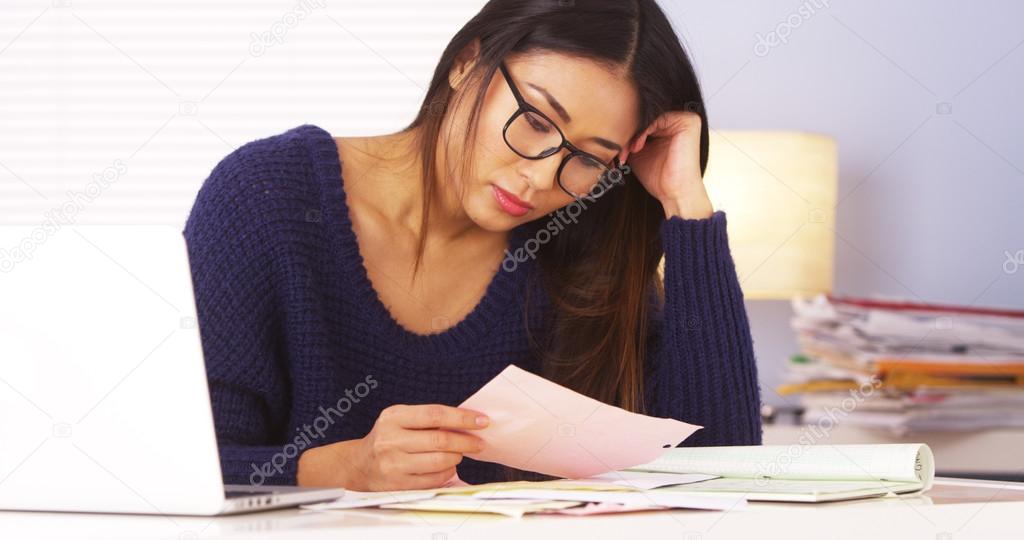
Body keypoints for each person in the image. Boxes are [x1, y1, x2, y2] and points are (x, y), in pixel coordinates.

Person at [183, 0, 763, 492]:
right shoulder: (267, 197)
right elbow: (174, 472)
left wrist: (686, 204)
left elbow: (723, 475)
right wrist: (344, 467)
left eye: (587, 159)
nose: (540, 176)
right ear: (467, 62)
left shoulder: (579, 256)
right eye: (536, 121)